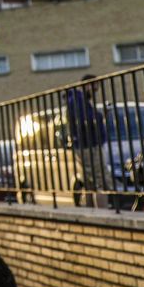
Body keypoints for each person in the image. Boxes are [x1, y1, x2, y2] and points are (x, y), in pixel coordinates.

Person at [63, 74, 108, 206]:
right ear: (88, 85)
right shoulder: (78, 101)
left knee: (89, 181)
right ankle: (104, 212)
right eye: (95, 86)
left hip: (84, 143)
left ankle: (91, 210)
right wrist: (100, 115)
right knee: (100, 180)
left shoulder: (77, 100)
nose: (96, 90)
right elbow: (84, 120)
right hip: (89, 143)